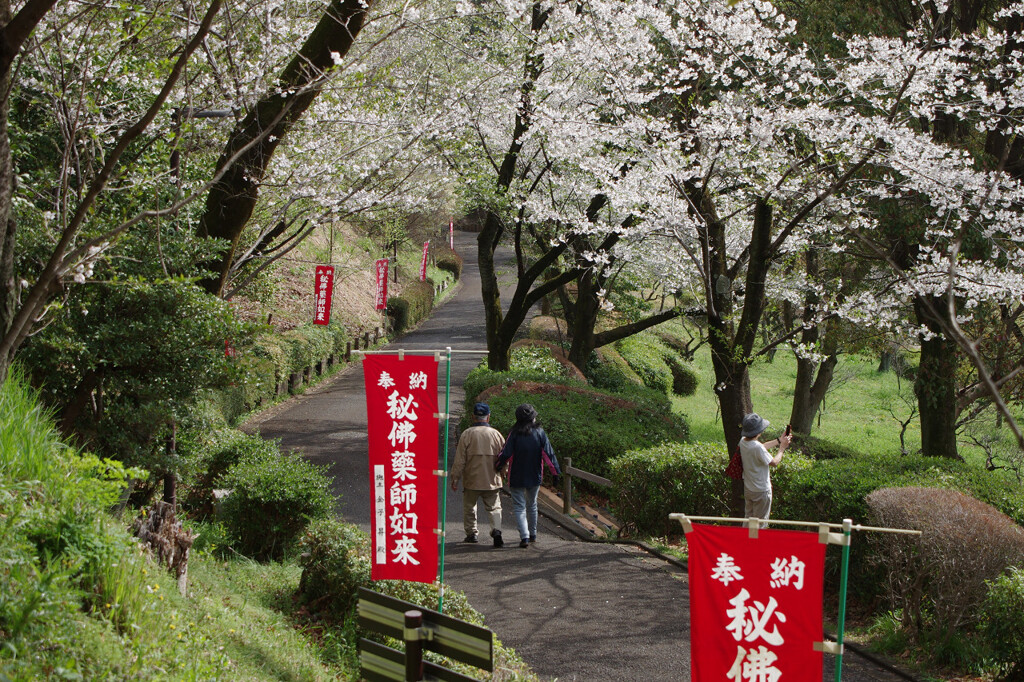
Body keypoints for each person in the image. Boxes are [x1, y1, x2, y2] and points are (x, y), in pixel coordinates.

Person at [496, 403, 560, 548]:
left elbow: (506, 453)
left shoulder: (514, 434)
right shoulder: (540, 433)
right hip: (534, 474)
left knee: (519, 506)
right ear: (532, 419)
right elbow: (549, 454)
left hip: (517, 475)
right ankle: (533, 534)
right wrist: (555, 472)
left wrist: (498, 465)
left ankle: (524, 536)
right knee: (532, 505)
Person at [450, 402, 506, 547]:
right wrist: (504, 473)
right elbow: (504, 458)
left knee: (470, 506)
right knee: (494, 507)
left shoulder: (467, 434)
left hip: (472, 479)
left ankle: (472, 533)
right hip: (491, 478)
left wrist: (455, 477)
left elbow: (460, 459)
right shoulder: (496, 434)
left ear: (472, 417)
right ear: (488, 417)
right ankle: (497, 530)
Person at [739, 412, 791, 527]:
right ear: (758, 432)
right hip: (761, 491)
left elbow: (761, 447)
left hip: (749, 488)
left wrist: (778, 440)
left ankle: (743, 543)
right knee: (760, 525)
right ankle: (756, 545)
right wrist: (782, 448)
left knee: (748, 520)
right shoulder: (757, 448)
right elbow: (774, 462)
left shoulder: (743, 441)